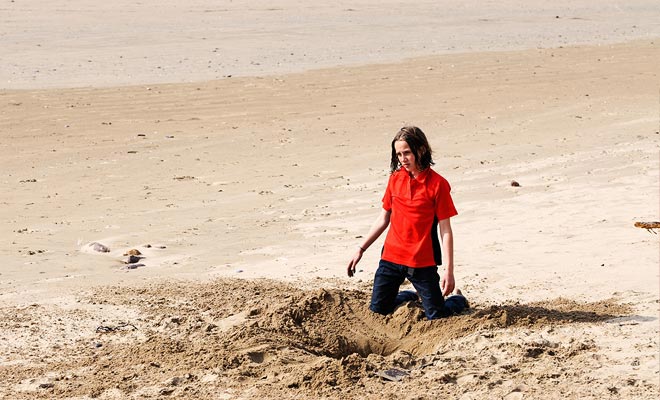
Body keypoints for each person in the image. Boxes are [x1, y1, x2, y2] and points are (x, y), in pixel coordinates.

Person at [347, 126, 468, 320]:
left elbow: (445, 231)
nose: (403, 159)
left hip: (422, 261)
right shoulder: (395, 179)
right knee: (378, 310)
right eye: (399, 154)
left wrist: (449, 271)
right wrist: (360, 249)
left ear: (421, 150)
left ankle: (459, 300)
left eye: (407, 153)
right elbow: (383, 218)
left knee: (436, 316)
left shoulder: (438, 184)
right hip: (391, 258)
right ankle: (411, 295)